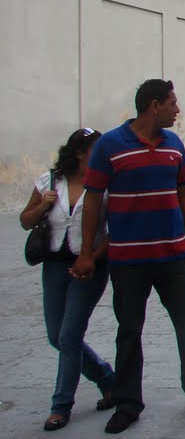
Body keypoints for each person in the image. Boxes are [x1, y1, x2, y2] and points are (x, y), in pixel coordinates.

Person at [74, 79, 185, 433]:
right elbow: (93, 199)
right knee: (129, 331)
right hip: (129, 261)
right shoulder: (110, 145)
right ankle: (127, 403)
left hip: (174, 257)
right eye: (172, 103)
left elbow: (184, 194)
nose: (177, 109)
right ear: (154, 105)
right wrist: (87, 253)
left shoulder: (173, 145)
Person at [20, 127, 115, 432]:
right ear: (78, 152)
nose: (102, 154)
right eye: (95, 149)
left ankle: (61, 406)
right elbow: (25, 221)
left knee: (69, 337)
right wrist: (42, 206)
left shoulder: (105, 182)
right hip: (54, 267)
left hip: (90, 268)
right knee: (55, 336)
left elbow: (114, 231)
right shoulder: (50, 181)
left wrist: (92, 258)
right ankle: (107, 378)